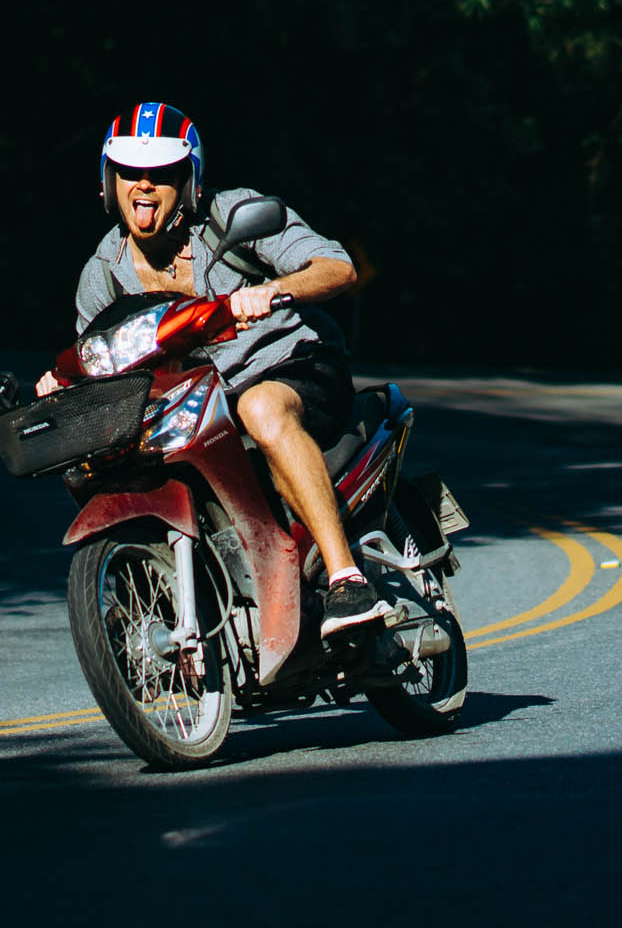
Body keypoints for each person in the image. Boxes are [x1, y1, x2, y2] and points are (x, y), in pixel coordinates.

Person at [37, 101, 387, 637]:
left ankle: (346, 580)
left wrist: (272, 290)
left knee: (260, 406)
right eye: (130, 172)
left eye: (161, 174)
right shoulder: (102, 274)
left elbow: (335, 267)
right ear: (110, 182)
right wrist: (62, 382)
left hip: (293, 367)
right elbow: (98, 362)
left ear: (190, 180)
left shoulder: (233, 215)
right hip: (196, 412)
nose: (144, 187)